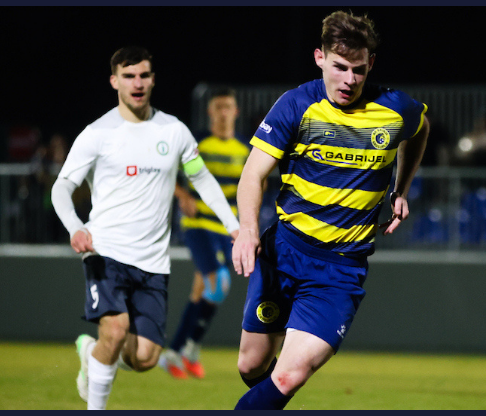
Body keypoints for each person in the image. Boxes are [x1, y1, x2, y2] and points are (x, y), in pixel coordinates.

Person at [230, 10, 429, 410]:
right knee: (252, 366)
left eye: (359, 69)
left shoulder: (395, 108)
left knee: (288, 377)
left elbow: (421, 128)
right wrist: (248, 229)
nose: (350, 79)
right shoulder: (296, 105)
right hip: (283, 253)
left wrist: (401, 188)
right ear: (319, 58)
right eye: (340, 67)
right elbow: (252, 175)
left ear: (371, 63)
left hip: (339, 271)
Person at [51, 46, 239, 410]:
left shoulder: (174, 131)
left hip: (152, 262)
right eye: (128, 76)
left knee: (145, 358)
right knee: (115, 329)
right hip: (105, 251)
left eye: (143, 75)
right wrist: (75, 227)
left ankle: (91, 353)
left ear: (153, 80)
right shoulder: (97, 133)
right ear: (114, 81)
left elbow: (201, 179)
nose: (137, 83)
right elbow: (62, 187)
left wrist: (234, 226)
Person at [158, 88, 251, 379]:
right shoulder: (197, 142)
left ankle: (175, 352)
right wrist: (182, 195)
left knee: (204, 290)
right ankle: (191, 348)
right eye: (218, 107)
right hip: (197, 224)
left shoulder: (244, 149)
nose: (223, 112)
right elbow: (164, 171)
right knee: (219, 282)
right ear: (210, 112)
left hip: (225, 228)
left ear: (235, 112)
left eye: (228, 107)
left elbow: (250, 188)